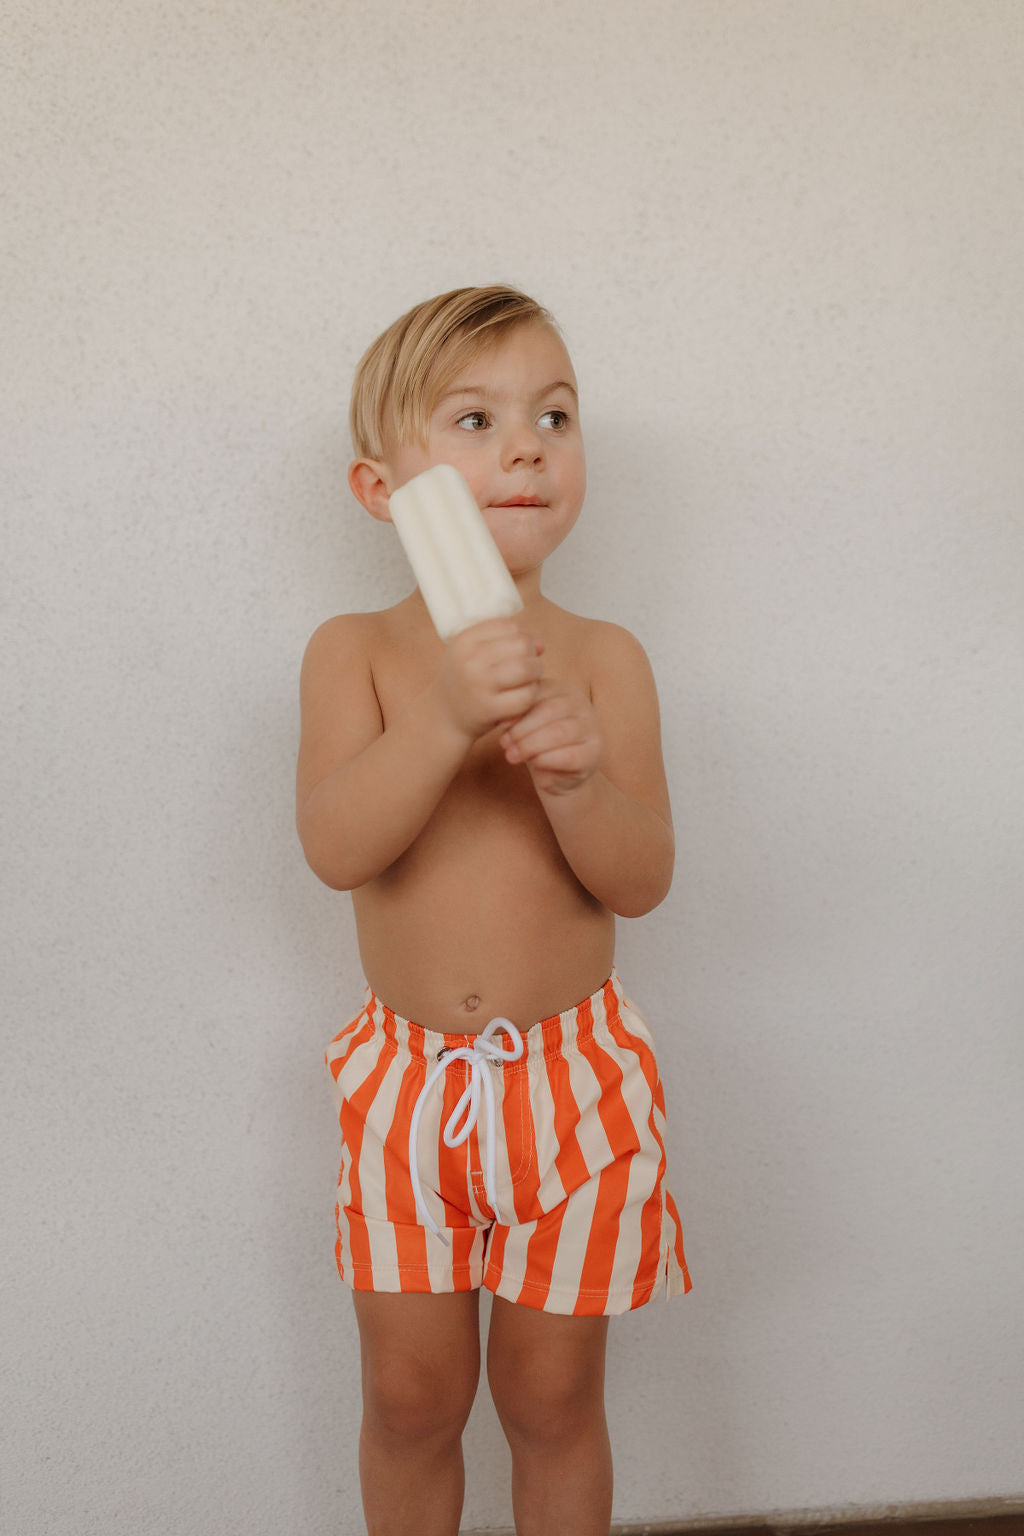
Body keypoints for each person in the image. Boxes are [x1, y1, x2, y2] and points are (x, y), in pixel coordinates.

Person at [296, 285, 691, 1536]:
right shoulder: (351, 651)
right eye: (475, 418)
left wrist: (576, 783)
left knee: (550, 1398)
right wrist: (442, 719)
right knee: (411, 1397)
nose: (527, 445)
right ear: (380, 490)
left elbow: (640, 878)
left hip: (574, 1087)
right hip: (408, 1094)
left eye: (555, 415)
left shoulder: (607, 658)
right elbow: (335, 845)